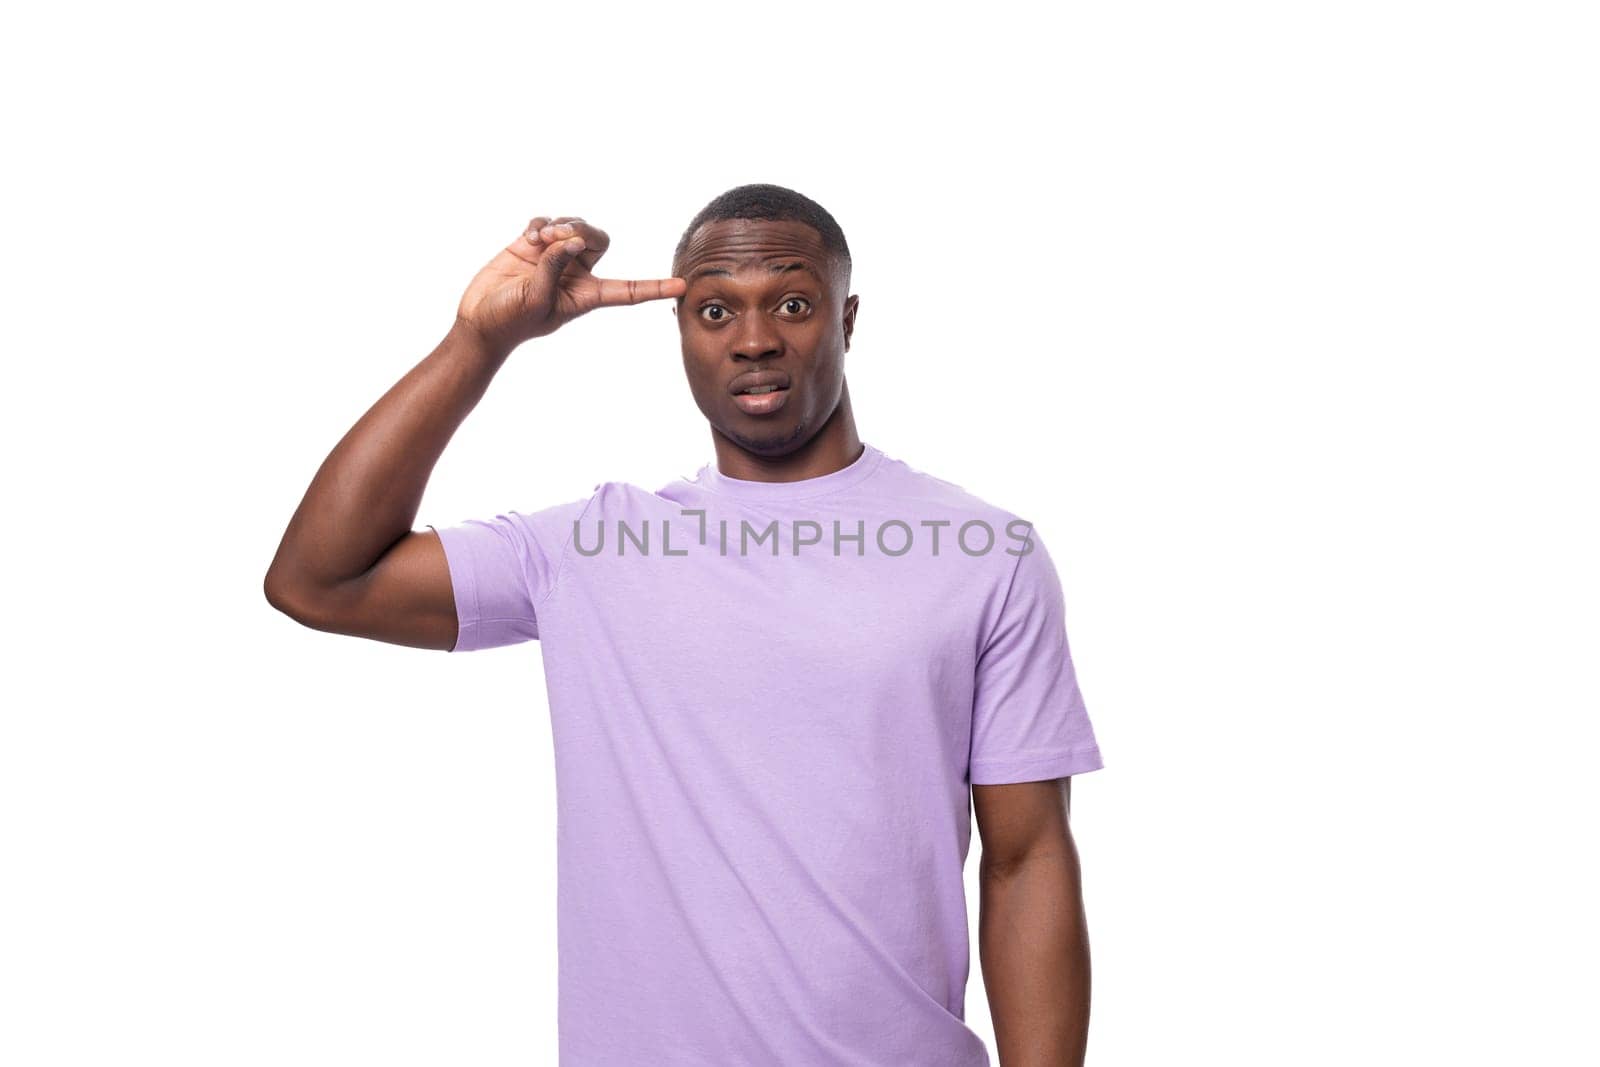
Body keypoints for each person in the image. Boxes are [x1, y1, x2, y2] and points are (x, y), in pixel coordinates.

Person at [264, 183, 1105, 1066]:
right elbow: (320, 579)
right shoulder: (595, 548)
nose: (754, 339)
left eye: (791, 302)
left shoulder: (980, 552)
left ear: (847, 318)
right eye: (714, 310)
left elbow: (1028, 859)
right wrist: (480, 343)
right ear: (681, 334)